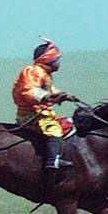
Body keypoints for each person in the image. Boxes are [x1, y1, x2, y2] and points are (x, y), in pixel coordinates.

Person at [13, 38, 74, 187]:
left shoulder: (45, 74)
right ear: (49, 59)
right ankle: (52, 162)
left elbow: (51, 91)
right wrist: (47, 96)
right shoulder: (33, 71)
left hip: (43, 113)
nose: (59, 62)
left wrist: (63, 95)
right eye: (57, 59)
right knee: (54, 131)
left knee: (70, 124)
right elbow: (29, 90)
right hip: (31, 115)